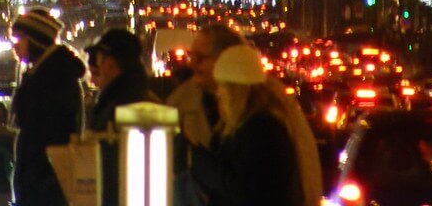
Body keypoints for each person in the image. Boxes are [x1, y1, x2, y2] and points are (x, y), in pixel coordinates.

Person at [188, 44, 323, 206]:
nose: (218, 93)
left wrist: (200, 161)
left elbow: (247, 192)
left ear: (236, 90)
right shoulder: (258, 125)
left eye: (223, 86)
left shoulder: (261, 130)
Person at [9, 7, 86, 206]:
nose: (15, 47)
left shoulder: (54, 78)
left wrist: (36, 182)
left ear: (35, 40)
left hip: (45, 188)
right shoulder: (44, 74)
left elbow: (47, 135)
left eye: (19, 40)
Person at [85, 28, 160, 206]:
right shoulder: (135, 96)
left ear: (110, 65)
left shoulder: (121, 106)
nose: (95, 69)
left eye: (99, 61)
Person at [165, 24, 244, 149]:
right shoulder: (179, 103)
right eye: (192, 56)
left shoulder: (259, 113)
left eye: (199, 58)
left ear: (225, 59)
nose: (192, 64)